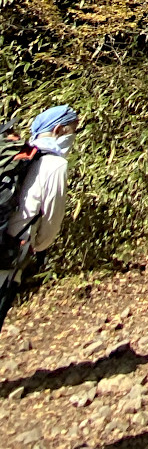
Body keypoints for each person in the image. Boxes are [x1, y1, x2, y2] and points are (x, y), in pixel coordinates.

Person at [0, 104, 80, 334]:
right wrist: (37, 246)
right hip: (11, 253)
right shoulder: (56, 164)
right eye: (73, 129)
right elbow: (52, 220)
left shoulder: (19, 154)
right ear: (58, 130)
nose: (74, 136)